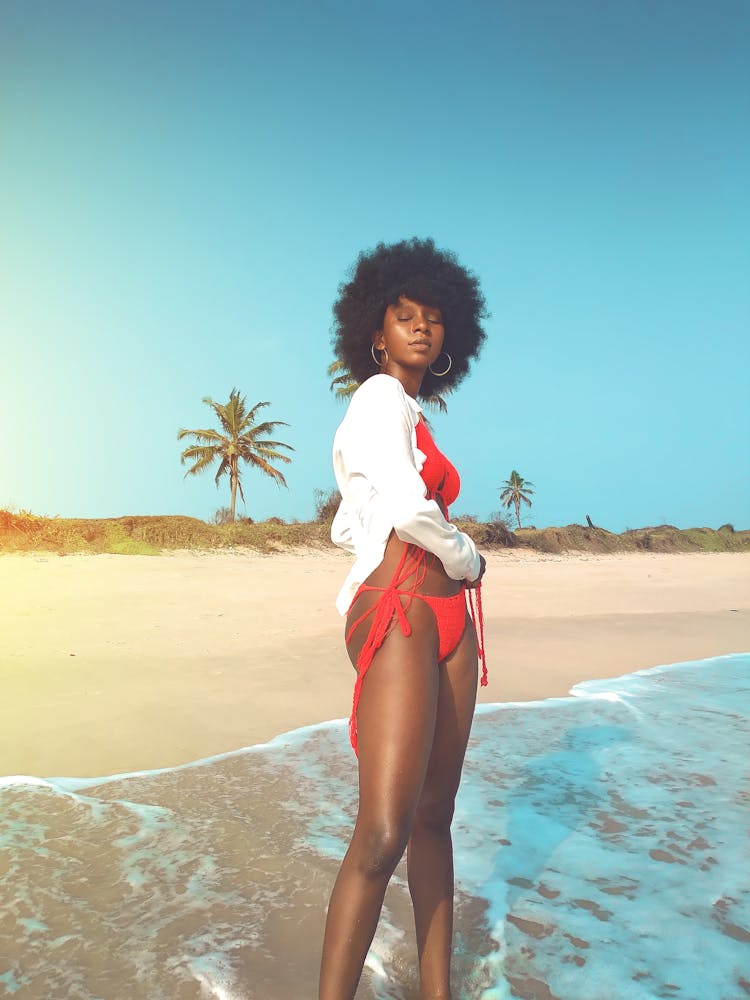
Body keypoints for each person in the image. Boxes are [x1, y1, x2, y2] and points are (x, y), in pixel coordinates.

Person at [319, 237, 489, 999]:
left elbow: (359, 517)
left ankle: (437, 992)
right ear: (375, 329)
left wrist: (449, 565)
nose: (421, 327)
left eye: (433, 318)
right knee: (384, 832)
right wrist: (467, 556)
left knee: (434, 818)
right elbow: (407, 509)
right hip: (406, 606)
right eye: (404, 315)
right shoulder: (377, 398)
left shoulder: (410, 411)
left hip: (447, 618)